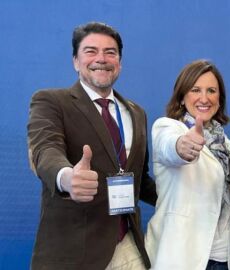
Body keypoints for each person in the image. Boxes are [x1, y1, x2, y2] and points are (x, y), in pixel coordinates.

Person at [27, 22, 157, 269]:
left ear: (119, 61)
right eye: (91, 51)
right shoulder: (51, 101)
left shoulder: (136, 112)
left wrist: (183, 199)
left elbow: (139, 179)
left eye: (110, 52)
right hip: (75, 253)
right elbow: (46, 150)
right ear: (76, 61)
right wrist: (67, 178)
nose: (102, 59)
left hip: (129, 248)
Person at [144, 59, 230, 270]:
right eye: (195, 90)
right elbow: (169, 147)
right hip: (184, 256)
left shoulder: (226, 144)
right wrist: (182, 147)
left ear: (220, 99)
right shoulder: (168, 127)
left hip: (225, 257)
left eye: (211, 90)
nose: (204, 98)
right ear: (182, 97)